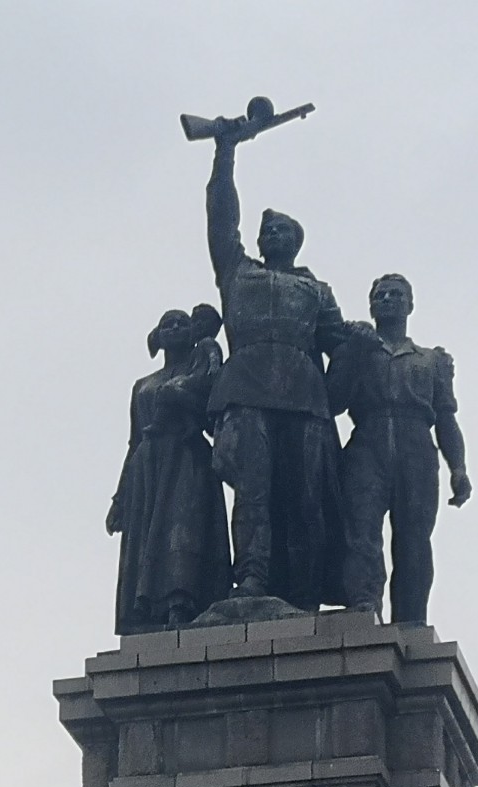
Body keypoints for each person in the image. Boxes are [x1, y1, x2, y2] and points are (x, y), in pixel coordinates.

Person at [201, 127, 351, 608]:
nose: (272, 236)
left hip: (303, 398)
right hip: (246, 390)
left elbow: (341, 344)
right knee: (253, 492)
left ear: (296, 242)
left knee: (305, 498)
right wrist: (225, 152)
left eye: (281, 230)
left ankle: (304, 589)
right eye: (267, 232)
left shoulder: (316, 290)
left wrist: (339, 387)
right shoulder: (238, 271)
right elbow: (221, 218)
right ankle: (252, 577)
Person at [335, 273, 470, 625]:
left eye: (396, 295)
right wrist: (353, 352)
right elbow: (334, 400)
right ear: (371, 306)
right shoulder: (358, 349)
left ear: (410, 305)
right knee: (362, 531)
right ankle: (364, 603)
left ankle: (410, 620)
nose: (387, 300)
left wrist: (458, 467)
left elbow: (446, 418)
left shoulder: (431, 360)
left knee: (414, 539)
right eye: (380, 295)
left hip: (417, 448)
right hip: (368, 442)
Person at [107, 306, 231, 632]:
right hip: (147, 465)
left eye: (182, 323)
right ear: (158, 337)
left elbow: (213, 407)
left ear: (193, 333)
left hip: (186, 458)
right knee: (148, 537)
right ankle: (145, 611)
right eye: (168, 324)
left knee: (183, 527)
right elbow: (134, 441)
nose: (175, 328)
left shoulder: (201, 367)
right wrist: (120, 499)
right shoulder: (142, 386)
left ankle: (181, 603)